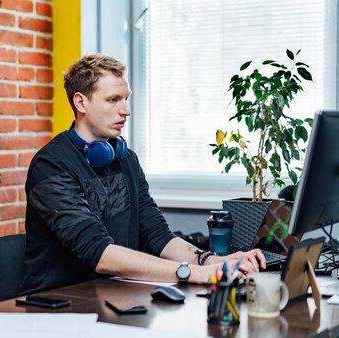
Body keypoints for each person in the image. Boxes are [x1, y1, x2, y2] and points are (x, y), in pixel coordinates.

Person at [21, 54, 265, 293]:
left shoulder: (125, 158)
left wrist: (210, 261)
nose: (125, 110)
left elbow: (156, 233)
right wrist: (191, 273)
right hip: (60, 304)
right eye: (113, 100)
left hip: (113, 294)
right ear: (81, 102)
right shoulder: (51, 165)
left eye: (126, 99)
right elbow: (99, 253)